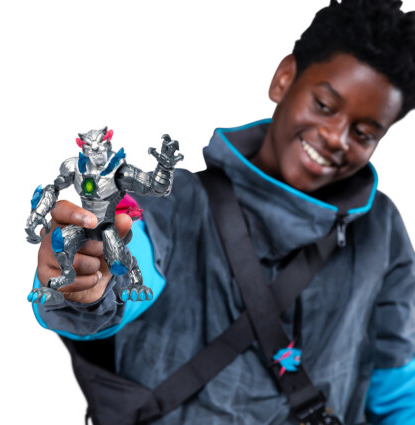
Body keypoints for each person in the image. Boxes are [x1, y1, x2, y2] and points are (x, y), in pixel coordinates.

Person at [31, 0, 415, 423]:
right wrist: (87, 281)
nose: (337, 137)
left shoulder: (381, 229)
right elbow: (124, 266)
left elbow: (399, 389)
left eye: (364, 133)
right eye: (324, 105)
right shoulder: (173, 203)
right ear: (285, 78)